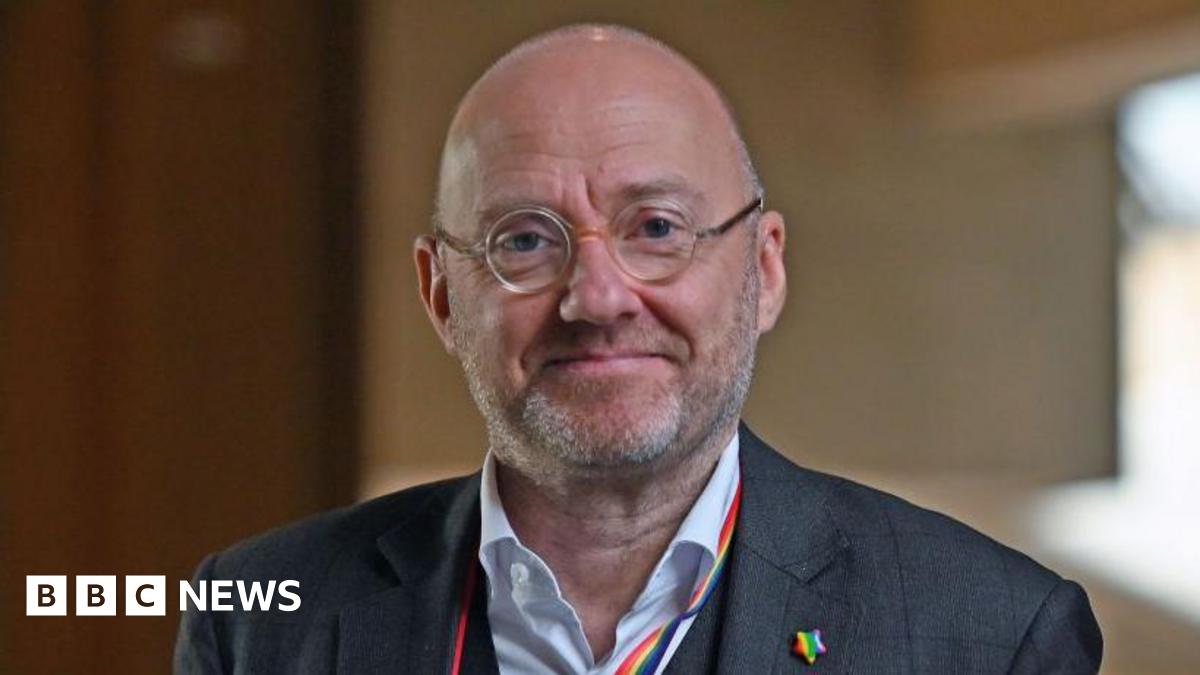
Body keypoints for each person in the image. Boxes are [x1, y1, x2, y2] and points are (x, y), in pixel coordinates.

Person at [174, 24, 1103, 674]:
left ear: (764, 268)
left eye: (657, 226)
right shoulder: (256, 616)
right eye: (526, 240)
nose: (600, 297)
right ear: (442, 295)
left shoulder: (993, 635)